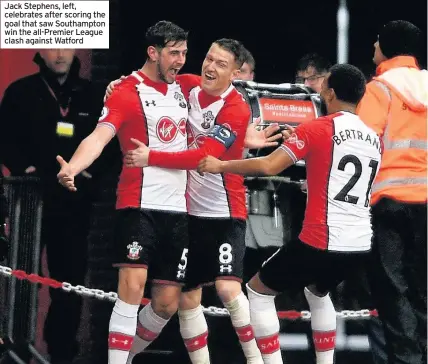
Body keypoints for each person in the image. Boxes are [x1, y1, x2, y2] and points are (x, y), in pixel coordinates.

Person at [198, 63, 381, 364]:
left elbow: (268, 166)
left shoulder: (317, 128)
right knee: (318, 292)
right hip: (359, 243)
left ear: (330, 92)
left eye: (324, 85)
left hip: (321, 239)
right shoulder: (373, 137)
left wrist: (221, 166)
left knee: (258, 290)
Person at [123, 38, 265, 364]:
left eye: (221, 64)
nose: (210, 67)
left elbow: (204, 156)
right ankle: (124, 357)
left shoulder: (236, 108)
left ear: (235, 74)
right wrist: (121, 83)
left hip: (225, 214)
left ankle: (260, 361)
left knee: (229, 290)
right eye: (209, 58)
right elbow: (151, 79)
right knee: (184, 300)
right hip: (188, 217)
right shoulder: (186, 86)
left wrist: (151, 157)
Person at [0, 49, 104, 364]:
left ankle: (61, 354)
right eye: (52, 46)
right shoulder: (20, 92)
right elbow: (3, 137)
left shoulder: (91, 96)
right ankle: (15, 349)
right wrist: (25, 169)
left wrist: (87, 174)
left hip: (74, 204)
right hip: (27, 202)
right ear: (39, 52)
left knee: (69, 281)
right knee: (21, 276)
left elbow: (110, 142)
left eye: (66, 45)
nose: (59, 53)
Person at [357, 20, 427, 364]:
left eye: (377, 41)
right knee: (423, 290)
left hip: (388, 203)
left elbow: (363, 144)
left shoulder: (379, 89)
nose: (373, 46)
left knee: (392, 289)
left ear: (385, 46)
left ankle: (406, 360)